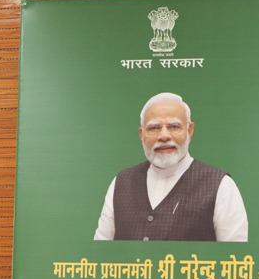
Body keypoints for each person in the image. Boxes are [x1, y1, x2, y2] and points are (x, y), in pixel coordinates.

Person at [94, 92, 248, 242]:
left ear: (190, 131)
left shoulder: (221, 186)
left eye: (174, 127)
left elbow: (235, 258)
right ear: (141, 135)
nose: (163, 136)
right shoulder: (120, 183)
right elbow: (100, 254)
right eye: (154, 128)